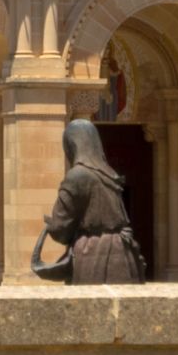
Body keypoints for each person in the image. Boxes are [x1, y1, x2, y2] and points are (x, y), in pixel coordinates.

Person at [31, 118, 146, 285]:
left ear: (71, 146)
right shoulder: (110, 174)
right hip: (123, 255)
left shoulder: (76, 176)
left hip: (92, 255)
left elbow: (60, 231)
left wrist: (51, 225)